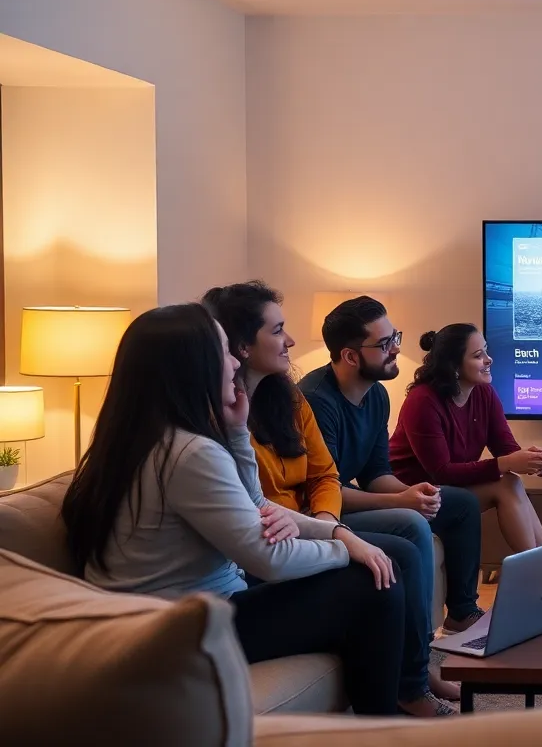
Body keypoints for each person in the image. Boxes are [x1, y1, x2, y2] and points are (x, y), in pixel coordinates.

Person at [59, 303, 444, 717]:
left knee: (374, 569)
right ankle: (381, 727)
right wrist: (344, 550)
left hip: (168, 619)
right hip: (179, 630)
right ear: (193, 366)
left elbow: (255, 504)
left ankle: (388, 705)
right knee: (374, 582)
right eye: (223, 352)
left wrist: (239, 433)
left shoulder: (150, 438)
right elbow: (268, 558)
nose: (233, 363)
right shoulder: (190, 453)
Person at [202, 281, 458, 708]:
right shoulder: (223, 422)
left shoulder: (288, 398)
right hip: (274, 537)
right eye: (278, 330)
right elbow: (253, 508)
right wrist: (337, 535)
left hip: (310, 520)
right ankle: (409, 685)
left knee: (422, 525)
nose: (291, 340)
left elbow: (325, 474)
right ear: (242, 347)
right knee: (396, 553)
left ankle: (414, 669)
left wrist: (326, 521)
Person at [298, 296, 486, 636]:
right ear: (350, 356)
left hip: (343, 497)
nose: (397, 348)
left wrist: (413, 492)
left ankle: (462, 612)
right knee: (411, 522)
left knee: (460, 503)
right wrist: (401, 501)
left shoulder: (377, 394)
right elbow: (323, 490)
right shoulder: (315, 401)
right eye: (385, 344)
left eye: (395, 337)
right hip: (319, 511)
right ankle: (421, 642)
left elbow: (376, 474)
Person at [390, 323, 542, 553]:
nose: (489, 359)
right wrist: (506, 463)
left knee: (512, 482)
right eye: (478, 355)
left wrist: (536, 458)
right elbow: (442, 472)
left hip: (450, 490)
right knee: (507, 485)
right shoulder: (422, 401)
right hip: (415, 495)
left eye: (486, 351)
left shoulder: (484, 393)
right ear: (454, 366)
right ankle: (540, 567)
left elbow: (506, 448)